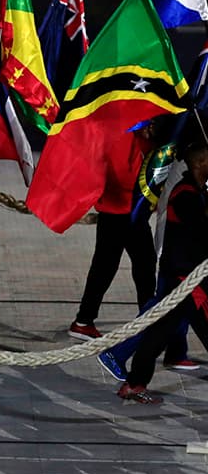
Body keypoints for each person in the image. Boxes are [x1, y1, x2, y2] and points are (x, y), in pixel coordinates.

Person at [99, 138, 208, 391]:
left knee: (159, 331)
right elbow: (202, 234)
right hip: (187, 281)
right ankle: (119, 355)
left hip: (180, 278)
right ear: (201, 163)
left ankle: (135, 383)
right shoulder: (186, 195)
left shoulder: (194, 191)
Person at [69, 126, 156, 340]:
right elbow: (123, 176)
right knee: (142, 264)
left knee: (106, 266)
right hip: (123, 211)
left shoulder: (130, 131)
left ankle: (84, 320)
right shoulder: (120, 133)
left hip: (121, 210)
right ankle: (147, 321)